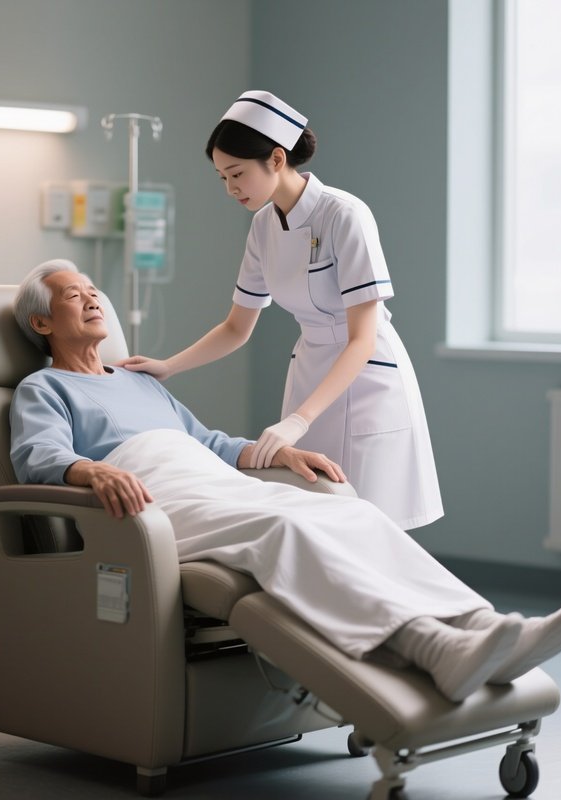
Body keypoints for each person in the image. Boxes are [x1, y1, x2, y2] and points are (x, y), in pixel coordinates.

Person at [9, 259, 561, 704]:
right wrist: (93, 468)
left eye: (92, 290)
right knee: (282, 528)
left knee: (353, 513)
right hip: (153, 500)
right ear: (42, 323)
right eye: (73, 295)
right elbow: (37, 455)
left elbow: (209, 442)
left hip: (210, 479)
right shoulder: (45, 387)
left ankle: (482, 625)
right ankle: (433, 648)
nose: (92, 298)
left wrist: (281, 452)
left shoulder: (139, 380)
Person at [118, 90, 442, 531]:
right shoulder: (263, 227)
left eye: (237, 173)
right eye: (222, 177)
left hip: (366, 377)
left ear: (276, 158)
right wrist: (168, 366)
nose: (231, 188)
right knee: (318, 517)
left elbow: (362, 338)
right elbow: (236, 327)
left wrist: (298, 420)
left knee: (373, 524)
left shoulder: (344, 214)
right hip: (310, 371)